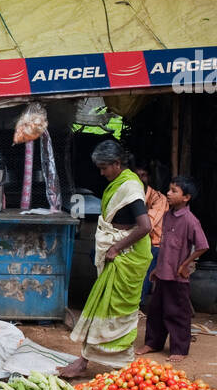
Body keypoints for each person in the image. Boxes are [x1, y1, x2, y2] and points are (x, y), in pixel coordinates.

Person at [59, 140, 152, 377]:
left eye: (103, 168)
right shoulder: (118, 183)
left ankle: (98, 362)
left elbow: (145, 226)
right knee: (105, 307)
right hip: (121, 253)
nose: (101, 173)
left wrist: (116, 248)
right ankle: (98, 361)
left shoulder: (130, 187)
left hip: (127, 256)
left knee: (118, 311)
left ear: (116, 163)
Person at [138, 176, 208, 362]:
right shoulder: (168, 215)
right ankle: (153, 343)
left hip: (178, 277)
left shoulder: (190, 220)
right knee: (156, 310)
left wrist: (185, 264)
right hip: (162, 273)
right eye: (169, 189)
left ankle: (179, 349)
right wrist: (157, 268)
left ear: (186, 197)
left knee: (177, 313)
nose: (168, 193)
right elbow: (165, 244)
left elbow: (202, 246)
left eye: (174, 191)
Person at [135, 161, 168, 301]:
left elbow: (147, 226)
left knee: (148, 257)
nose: (140, 179)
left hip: (155, 244)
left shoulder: (159, 199)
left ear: (149, 177)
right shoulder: (131, 195)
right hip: (135, 241)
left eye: (143, 175)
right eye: (137, 175)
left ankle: (137, 303)